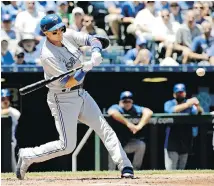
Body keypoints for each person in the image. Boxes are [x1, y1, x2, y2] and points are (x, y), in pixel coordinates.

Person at [16, 14, 134, 180]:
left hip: (81, 93)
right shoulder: (47, 55)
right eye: (54, 31)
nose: (59, 32)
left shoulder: (68, 35)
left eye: (60, 28)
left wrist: (95, 53)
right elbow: (67, 82)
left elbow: (94, 40)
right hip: (62, 98)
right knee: (67, 146)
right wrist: (85, 69)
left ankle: (125, 166)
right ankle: (28, 155)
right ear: (46, 34)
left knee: (104, 128)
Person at [108, 91, 153, 170]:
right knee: (111, 164)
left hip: (126, 143)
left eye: (129, 100)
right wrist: (128, 123)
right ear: (120, 101)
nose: (127, 103)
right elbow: (112, 112)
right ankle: (110, 173)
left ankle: (135, 170)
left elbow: (149, 112)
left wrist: (139, 126)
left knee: (141, 145)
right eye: (124, 100)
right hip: (114, 144)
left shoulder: (135, 108)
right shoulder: (116, 107)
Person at [164, 83, 203, 170]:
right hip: (172, 141)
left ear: (185, 93)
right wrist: (188, 104)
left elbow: (198, 112)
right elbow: (170, 111)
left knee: (182, 171)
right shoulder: (169, 103)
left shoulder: (190, 104)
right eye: (178, 93)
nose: (180, 94)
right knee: (171, 172)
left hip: (185, 141)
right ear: (174, 94)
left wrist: (197, 105)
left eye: (181, 92)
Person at [1, 89, 21, 172]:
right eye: (3, 99)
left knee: (12, 164)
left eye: (7, 98)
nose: (5, 101)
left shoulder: (14, 112)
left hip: (10, 141)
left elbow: (6, 112)